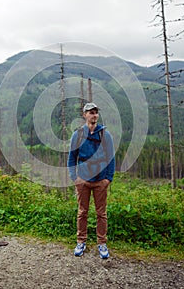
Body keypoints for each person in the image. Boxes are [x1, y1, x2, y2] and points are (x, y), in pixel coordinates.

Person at [67, 102, 115, 259]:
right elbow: (72, 158)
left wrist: (108, 178)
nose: (94, 115)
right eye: (91, 112)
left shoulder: (104, 134)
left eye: (96, 112)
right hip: (83, 180)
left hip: (101, 180)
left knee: (101, 213)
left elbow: (111, 158)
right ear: (84, 115)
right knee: (82, 212)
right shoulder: (78, 135)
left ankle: (102, 243)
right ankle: (81, 241)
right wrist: (75, 178)